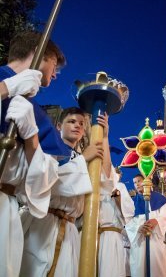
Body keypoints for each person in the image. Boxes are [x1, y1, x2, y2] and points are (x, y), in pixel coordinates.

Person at [0, 31, 67, 277]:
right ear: (42, 52)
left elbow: (44, 181)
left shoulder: (35, 111)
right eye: (55, 65)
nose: (56, 73)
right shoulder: (6, 83)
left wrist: (31, 136)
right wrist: (6, 88)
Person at [19, 107, 104, 276]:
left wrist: (105, 136)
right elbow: (47, 182)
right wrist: (83, 159)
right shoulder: (49, 148)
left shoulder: (82, 156)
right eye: (71, 122)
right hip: (42, 221)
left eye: (81, 123)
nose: (77, 126)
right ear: (59, 126)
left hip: (70, 228)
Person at [96, 134, 134, 277]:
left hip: (111, 235)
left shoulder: (121, 187)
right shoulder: (94, 181)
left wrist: (116, 197)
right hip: (91, 233)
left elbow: (127, 214)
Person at [126, 173, 166, 277]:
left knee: (157, 270)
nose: (137, 184)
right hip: (139, 243)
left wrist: (157, 221)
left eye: (139, 181)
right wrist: (138, 228)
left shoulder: (158, 198)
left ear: (146, 181)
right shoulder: (132, 203)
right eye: (135, 183)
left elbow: (165, 215)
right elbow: (128, 223)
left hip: (155, 241)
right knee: (139, 270)